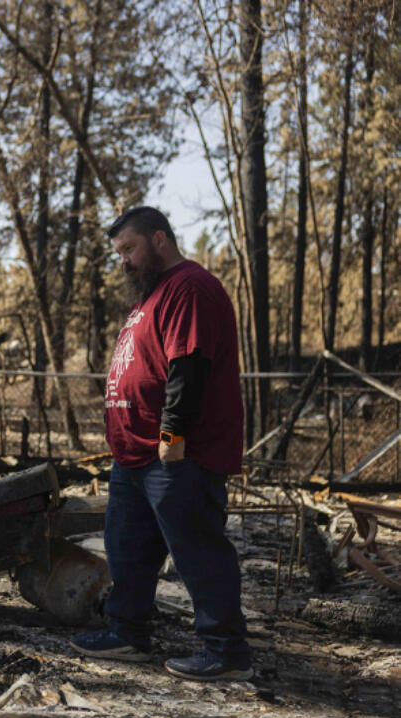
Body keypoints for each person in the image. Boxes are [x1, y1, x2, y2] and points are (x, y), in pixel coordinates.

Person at [70, 206, 253, 682]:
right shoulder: (149, 297)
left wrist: (173, 435)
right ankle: (128, 632)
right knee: (127, 547)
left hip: (175, 454)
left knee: (197, 549)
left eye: (130, 248)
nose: (125, 260)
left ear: (160, 239)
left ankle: (226, 650)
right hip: (133, 455)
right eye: (119, 253)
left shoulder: (189, 287)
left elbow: (188, 367)